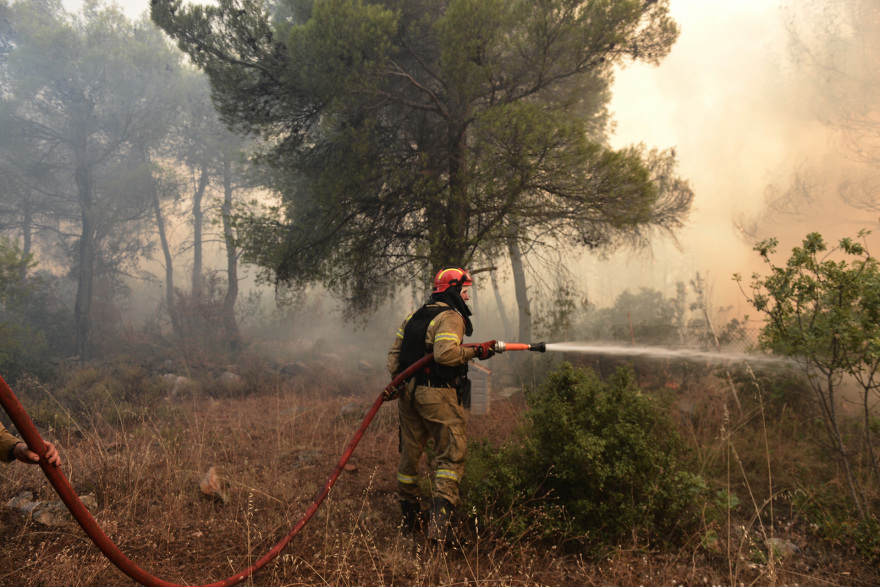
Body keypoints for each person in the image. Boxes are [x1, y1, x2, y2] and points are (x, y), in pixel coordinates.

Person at [387, 267, 496, 542]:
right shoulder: (450, 317)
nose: (468, 296)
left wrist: (401, 383)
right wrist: (477, 351)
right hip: (437, 395)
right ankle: (439, 529)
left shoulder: (413, 317)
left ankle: (410, 521)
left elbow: (393, 359)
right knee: (451, 454)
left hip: (408, 395)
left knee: (409, 455)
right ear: (453, 290)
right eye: (465, 289)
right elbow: (446, 354)